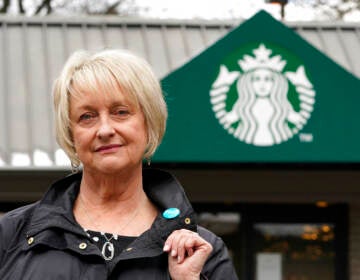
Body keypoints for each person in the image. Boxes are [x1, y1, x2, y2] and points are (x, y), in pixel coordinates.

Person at [0, 49, 238, 279]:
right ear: (71, 134)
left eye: (120, 112)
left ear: (148, 122)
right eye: (87, 116)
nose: (104, 130)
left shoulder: (203, 254)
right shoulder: (11, 236)